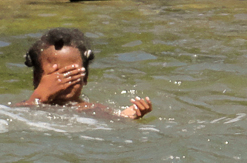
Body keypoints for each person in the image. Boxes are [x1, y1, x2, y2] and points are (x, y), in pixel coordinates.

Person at [16, 27, 152, 120]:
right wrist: (38, 98)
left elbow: (114, 123)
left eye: (73, 73)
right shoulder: (24, 107)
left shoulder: (93, 109)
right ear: (36, 78)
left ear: (85, 77)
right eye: (56, 74)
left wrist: (127, 117)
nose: (64, 81)